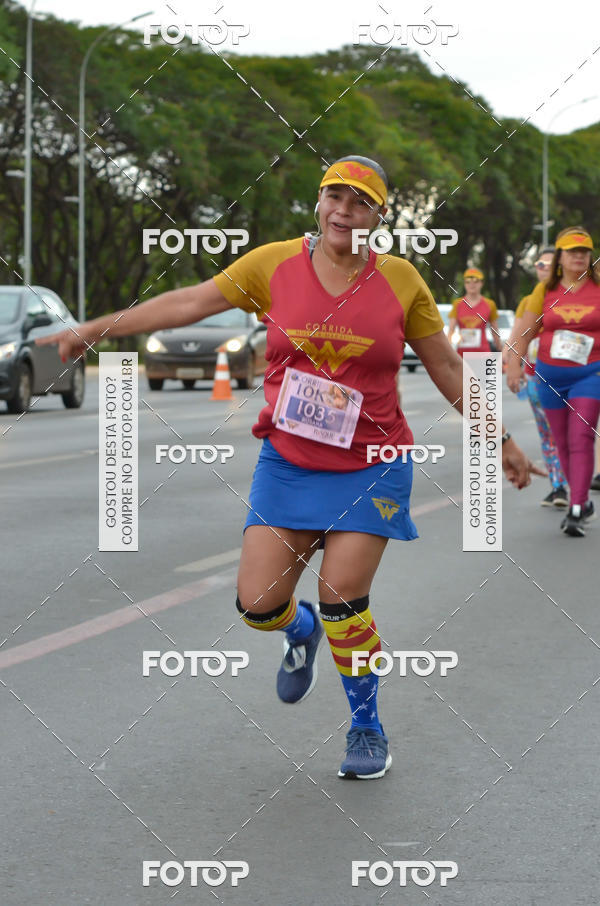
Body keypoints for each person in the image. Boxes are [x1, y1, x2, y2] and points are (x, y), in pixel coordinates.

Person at [40, 155, 541, 779]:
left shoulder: (402, 280)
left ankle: (365, 725)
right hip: (290, 462)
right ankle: (296, 629)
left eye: (360, 202)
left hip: (372, 462)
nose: (343, 211)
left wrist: (500, 440)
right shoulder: (273, 265)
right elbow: (190, 302)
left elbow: (443, 367)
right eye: (334, 196)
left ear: (379, 217)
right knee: (257, 603)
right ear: (319, 202)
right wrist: (97, 329)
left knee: (342, 595)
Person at [507, 226, 600, 537]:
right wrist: (514, 367)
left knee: (580, 437)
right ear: (560, 256)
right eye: (572, 252)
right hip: (549, 377)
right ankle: (580, 499)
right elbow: (523, 333)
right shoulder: (544, 292)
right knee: (561, 443)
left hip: (591, 374)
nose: (579, 257)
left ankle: (576, 507)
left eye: (584, 252)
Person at [504, 248, 568, 507]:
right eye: (539, 264)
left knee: (568, 434)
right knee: (548, 435)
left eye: (549, 264)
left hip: (567, 379)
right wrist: (510, 362)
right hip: (535, 379)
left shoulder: (569, 297)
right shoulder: (529, 300)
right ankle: (559, 487)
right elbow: (517, 336)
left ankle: (575, 487)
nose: (543, 268)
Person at [447, 268, 499, 355]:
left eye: (476, 281)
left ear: (481, 283)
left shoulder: (490, 304)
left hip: (483, 353)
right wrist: (448, 352)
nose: (472, 284)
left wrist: (501, 351)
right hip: (461, 355)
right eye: (468, 281)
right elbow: (451, 331)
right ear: (464, 284)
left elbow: (495, 332)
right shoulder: (457, 304)